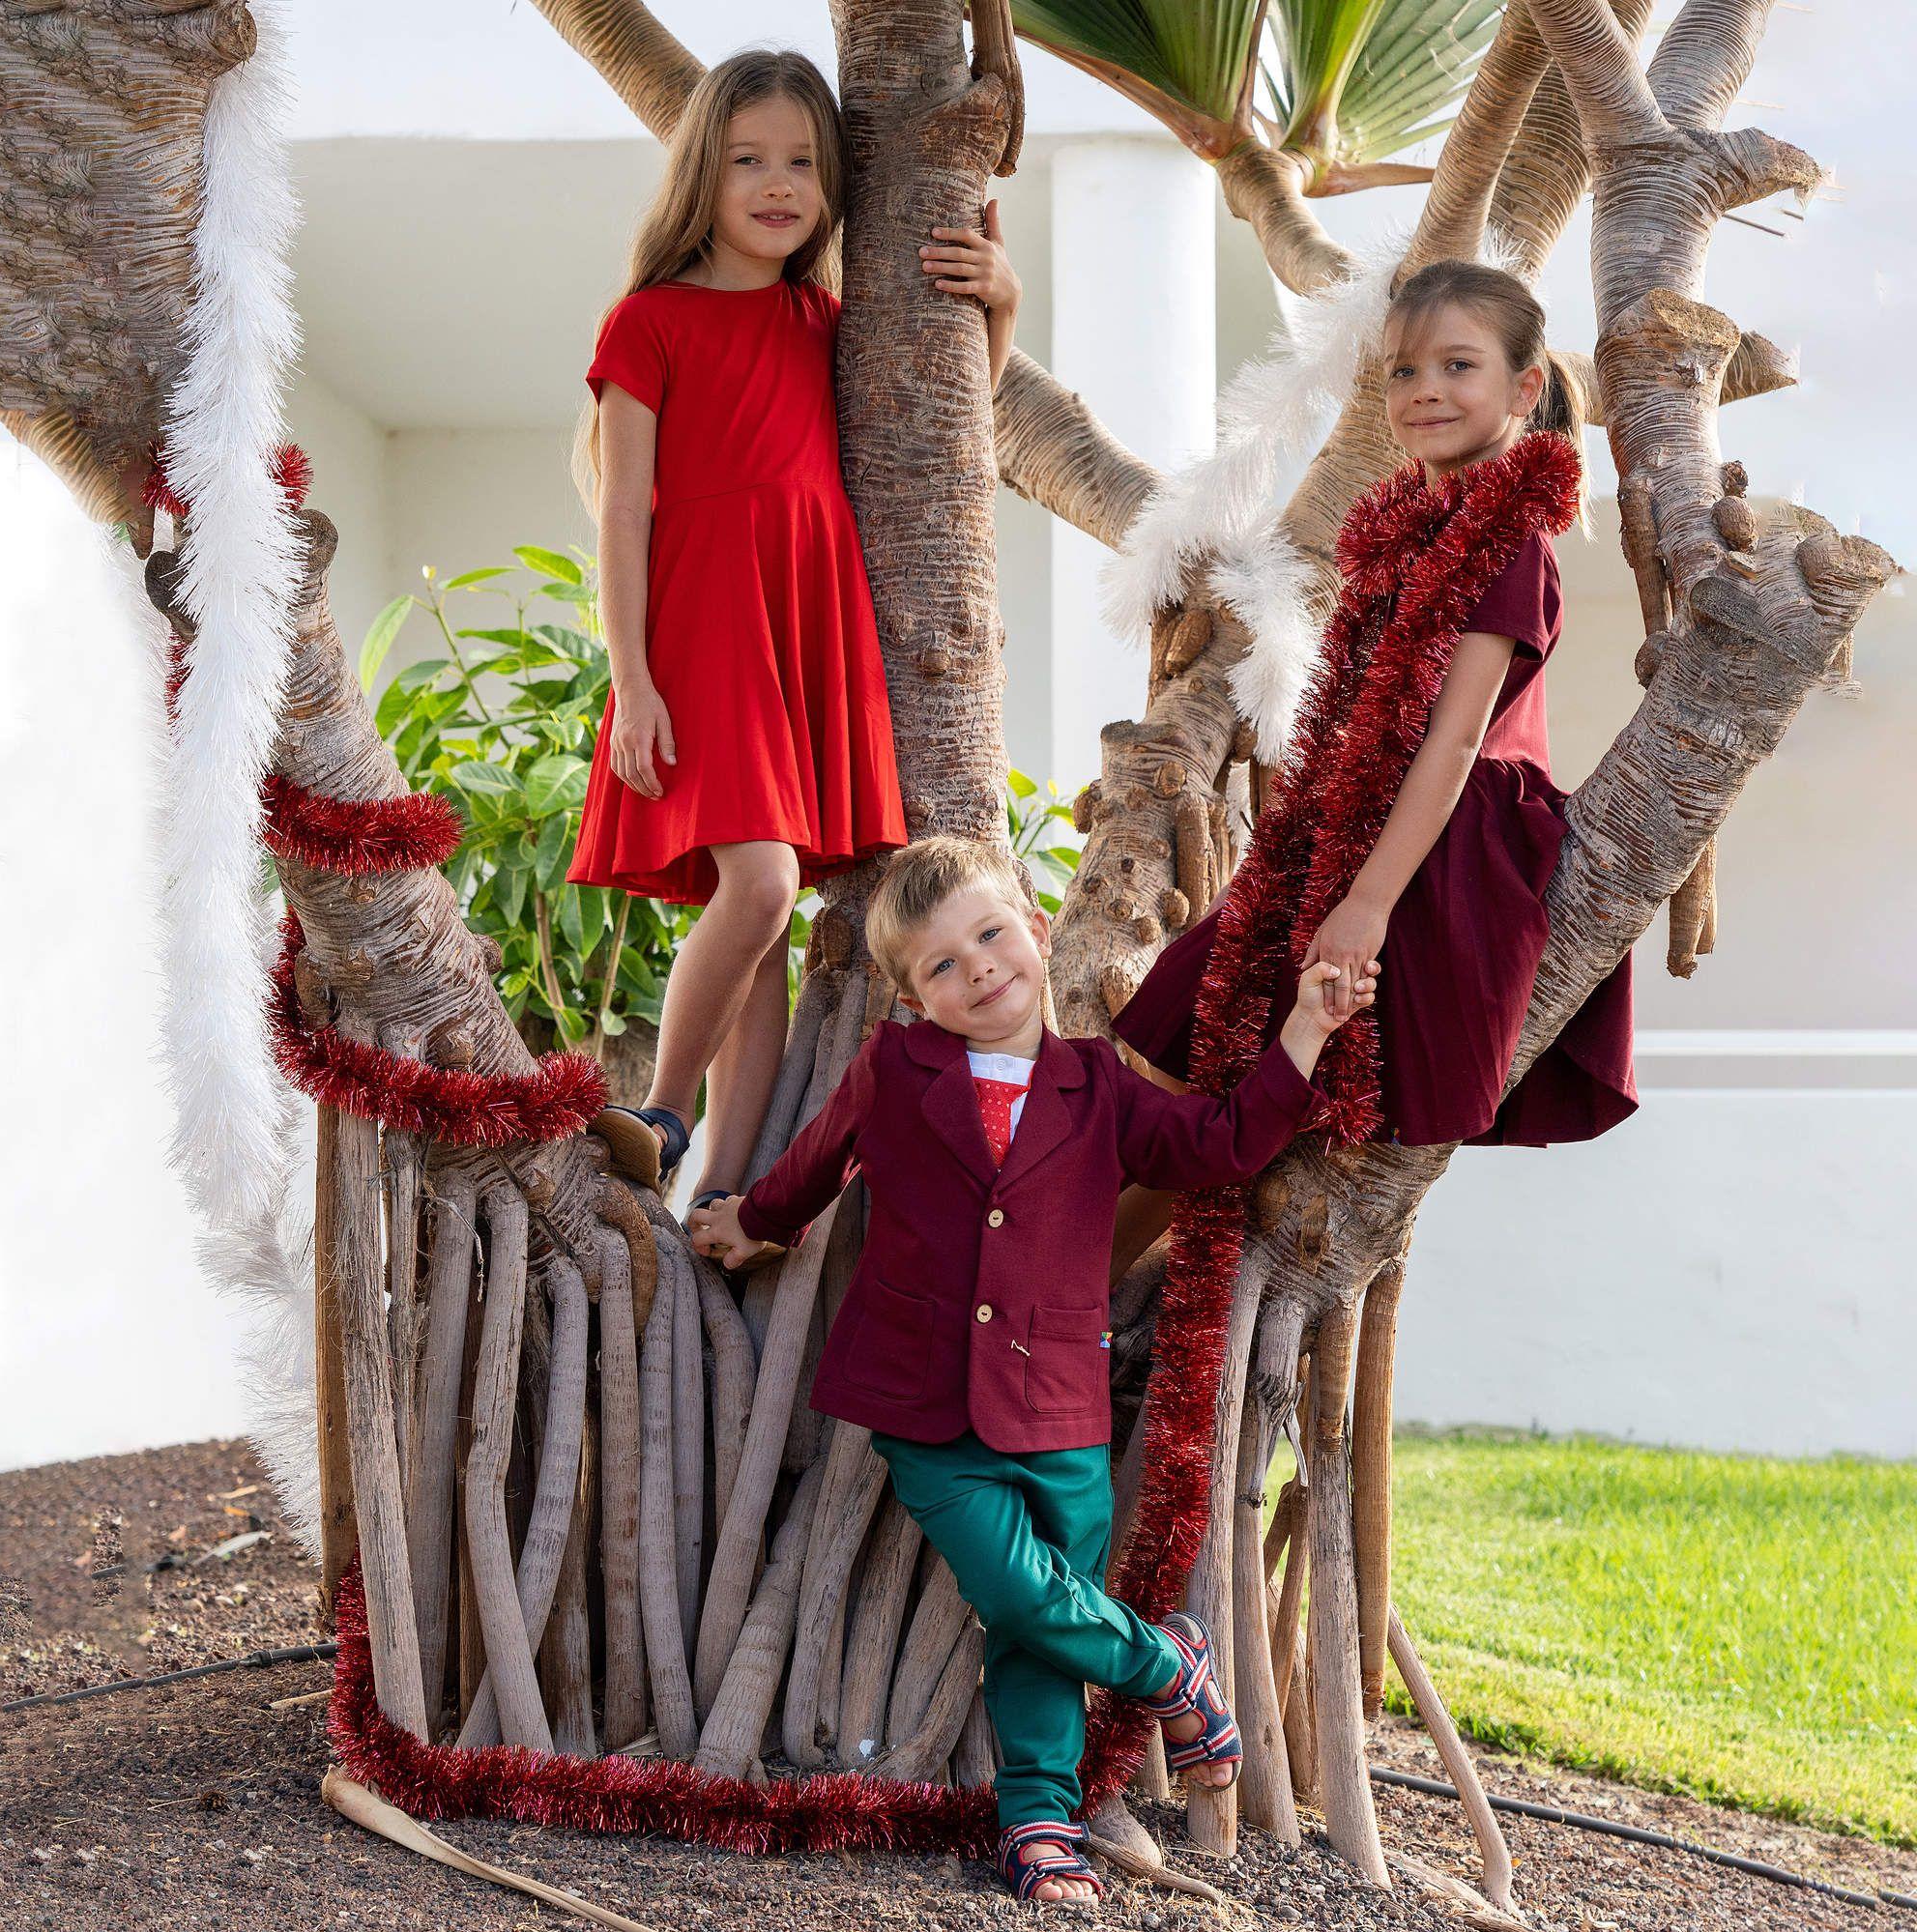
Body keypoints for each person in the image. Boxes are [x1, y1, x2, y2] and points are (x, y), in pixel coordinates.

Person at [689, 837, 1378, 1905]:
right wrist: (755, 1222)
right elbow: (816, 1158)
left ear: (1036, 930)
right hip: (920, 1400)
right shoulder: (896, 1068)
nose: (978, 970)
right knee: (1013, 1585)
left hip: (1059, 1398)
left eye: (989, 935)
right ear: (912, 997)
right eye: (941, 966)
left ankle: (1039, 1819)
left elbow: (1222, 1142)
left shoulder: (1096, 1085)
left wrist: (1304, 1029)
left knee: (1034, 1623)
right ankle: (1166, 1667)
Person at [568, 49, 1024, 1218]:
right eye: (746, 161)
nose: (778, 184)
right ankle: (665, 1112)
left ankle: (720, 1186)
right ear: (699, 179)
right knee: (764, 885)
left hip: (805, 624)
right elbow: (624, 510)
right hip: (704, 631)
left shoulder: (825, 321)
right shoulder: (650, 321)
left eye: (802, 163)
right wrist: (634, 677)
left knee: (759, 921)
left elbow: (941, 435)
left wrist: (1001, 308)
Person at [1113, 259, 1637, 1246]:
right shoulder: (1405, 532)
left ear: (1523, 388)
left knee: (1206, 1088)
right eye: (1401, 371)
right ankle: (1049, 1320)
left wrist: (1363, 904)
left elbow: (1452, 738)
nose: (1424, 390)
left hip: (1432, 856)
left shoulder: (1506, 539)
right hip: (1346, 828)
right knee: (1175, 1061)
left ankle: (1042, 1329)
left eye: (1456, 365)